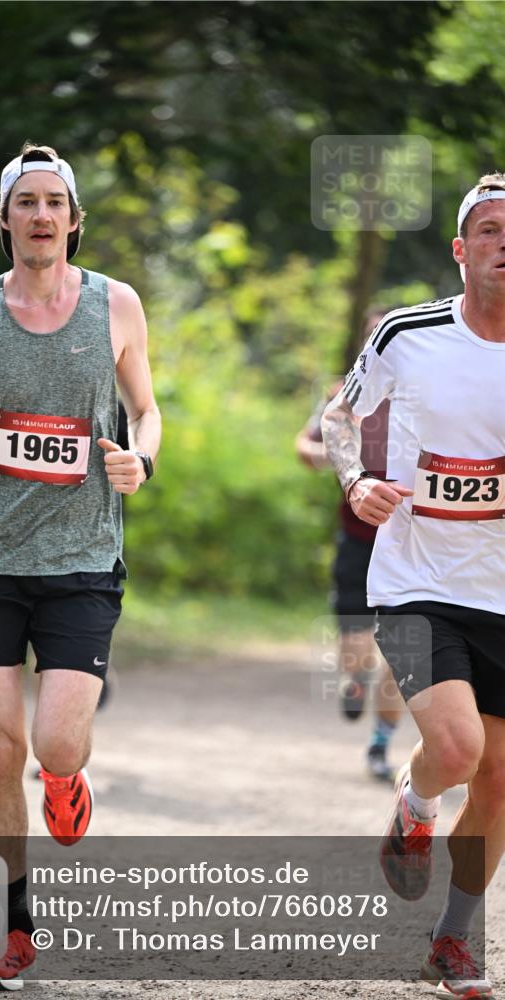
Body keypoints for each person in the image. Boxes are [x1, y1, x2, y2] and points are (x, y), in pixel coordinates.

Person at [0, 142, 161, 987]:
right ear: (6, 220)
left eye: (55, 202)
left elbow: (147, 410)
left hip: (85, 555)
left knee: (54, 746)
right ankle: (16, 927)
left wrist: (141, 460)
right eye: (26, 203)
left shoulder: (116, 306)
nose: (42, 215)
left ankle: (67, 778)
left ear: (75, 221)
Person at [321, 173, 505, 999]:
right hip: (414, 578)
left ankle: (452, 941)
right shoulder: (407, 332)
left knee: (500, 776)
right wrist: (355, 480)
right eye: (492, 230)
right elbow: (336, 419)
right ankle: (416, 802)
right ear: (463, 251)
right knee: (459, 751)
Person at [295, 306, 404, 782]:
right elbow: (305, 444)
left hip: (410, 544)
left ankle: (380, 747)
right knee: (358, 649)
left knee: (406, 652)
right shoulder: (342, 395)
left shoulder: (428, 395)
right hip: (358, 540)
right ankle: (357, 677)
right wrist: (330, 458)